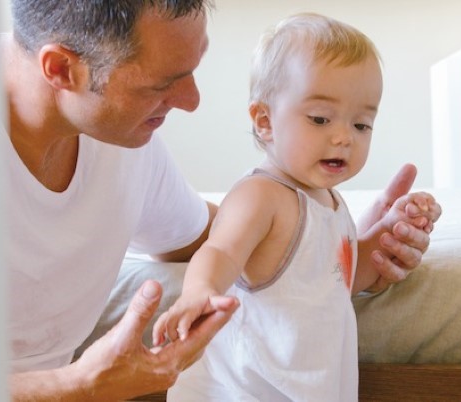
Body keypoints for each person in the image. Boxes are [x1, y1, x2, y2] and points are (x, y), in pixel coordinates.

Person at [3, 0, 439, 400]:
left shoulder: (123, 144)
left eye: (361, 125)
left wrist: (363, 246)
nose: (192, 101)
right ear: (62, 69)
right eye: (162, 83)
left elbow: (241, 244)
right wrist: (82, 383)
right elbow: (220, 253)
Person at [155, 13, 440, 401]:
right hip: (243, 392)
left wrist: (390, 230)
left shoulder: (330, 203)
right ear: (265, 121)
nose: (343, 137)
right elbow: (220, 250)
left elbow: (337, 280)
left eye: (361, 125)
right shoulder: (261, 195)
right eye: (320, 119)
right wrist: (200, 291)